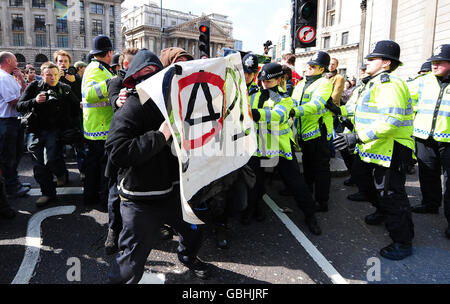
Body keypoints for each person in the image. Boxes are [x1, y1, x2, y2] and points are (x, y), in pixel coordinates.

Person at [105, 49, 209, 283]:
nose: (148, 77)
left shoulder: (176, 102)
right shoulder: (132, 106)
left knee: (194, 231)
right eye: (141, 74)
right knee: (131, 261)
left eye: (153, 72)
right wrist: (160, 136)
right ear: (132, 78)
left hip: (175, 193)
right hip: (141, 199)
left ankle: (188, 257)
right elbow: (117, 151)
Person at [333, 40, 415, 260]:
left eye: (372, 59)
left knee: (391, 194)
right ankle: (381, 210)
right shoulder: (370, 83)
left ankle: (403, 241)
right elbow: (360, 113)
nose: (367, 62)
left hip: (391, 149)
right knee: (361, 178)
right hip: (373, 146)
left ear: (386, 63)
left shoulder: (389, 84)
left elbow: (392, 120)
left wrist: (356, 137)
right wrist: (337, 110)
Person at [244, 62, 322, 235]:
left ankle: (310, 216)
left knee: (296, 183)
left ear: (279, 80)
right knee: (254, 182)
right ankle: (253, 210)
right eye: (263, 81)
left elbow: (278, 115)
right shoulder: (254, 95)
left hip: (280, 147)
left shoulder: (285, 99)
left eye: (269, 82)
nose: (265, 84)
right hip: (258, 147)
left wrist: (255, 114)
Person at [17, 62, 79, 207]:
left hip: (55, 131)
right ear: (42, 75)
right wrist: (35, 101)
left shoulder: (64, 88)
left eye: (55, 75)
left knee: (50, 160)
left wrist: (71, 127)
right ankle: (48, 193)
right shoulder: (34, 87)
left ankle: (61, 173)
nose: (53, 78)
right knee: (39, 165)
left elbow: (76, 107)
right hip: (36, 130)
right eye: (49, 75)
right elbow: (20, 106)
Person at [409, 44, 450, 239]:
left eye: (439, 62)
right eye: (433, 61)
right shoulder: (423, 81)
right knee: (427, 173)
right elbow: (406, 99)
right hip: (424, 136)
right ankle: (430, 204)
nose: (434, 65)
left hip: (448, 140)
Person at [104, 47, 139, 255]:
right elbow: (115, 100)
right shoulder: (116, 81)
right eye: (131, 62)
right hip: (121, 144)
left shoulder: (146, 81)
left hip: (140, 142)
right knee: (116, 192)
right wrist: (120, 99)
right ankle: (113, 230)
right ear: (124, 64)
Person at [291, 51, 333, 213]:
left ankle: (322, 201)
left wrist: (294, 112)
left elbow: (317, 104)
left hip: (318, 133)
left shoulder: (324, 84)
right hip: (303, 132)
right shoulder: (302, 83)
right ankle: (307, 193)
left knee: (321, 169)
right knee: (308, 166)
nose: (309, 68)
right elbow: (292, 101)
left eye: (313, 66)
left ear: (322, 69)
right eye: (308, 65)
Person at [81, 35, 115, 207]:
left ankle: (92, 198)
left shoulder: (100, 67)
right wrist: (113, 82)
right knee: (100, 170)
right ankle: (99, 200)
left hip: (98, 127)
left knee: (94, 168)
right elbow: (90, 94)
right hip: (100, 128)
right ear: (109, 52)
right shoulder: (96, 69)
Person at [0, 52, 30, 199]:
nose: (17, 62)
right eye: (16, 60)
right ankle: (12, 186)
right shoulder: (3, 77)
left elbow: (22, 93)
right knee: (9, 156)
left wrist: (20, 79)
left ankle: (14, 182)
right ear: (8, 60)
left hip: (14, 121)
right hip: (6, 122)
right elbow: (12, 101)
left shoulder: (10, 77)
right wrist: (31, 102)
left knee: (17, 153)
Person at [54, 50, 84, 184]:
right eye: (60, 61)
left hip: (74, 118)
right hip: (57, 119)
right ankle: (62, 175)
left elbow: (79, 99)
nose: (63, 64)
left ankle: (83, 172)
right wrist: (56, 79)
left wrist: (74, 82)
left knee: (80, 148)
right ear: (56, 63)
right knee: (57, 151)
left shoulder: (76, 78)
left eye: (65, 61)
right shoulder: (51, 77)